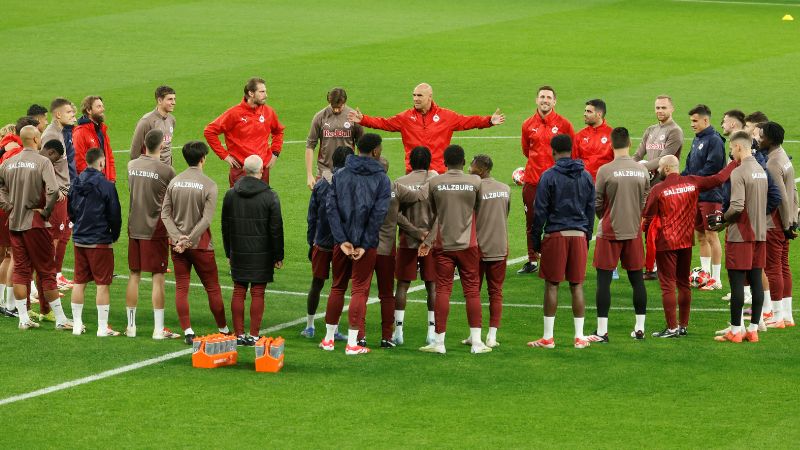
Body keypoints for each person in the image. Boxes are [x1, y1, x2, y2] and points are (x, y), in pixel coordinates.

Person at [642, 155, 737, 338]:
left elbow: (648, 214)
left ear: (667, 168)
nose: (658, 170)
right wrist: (734, 162)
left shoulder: (659, 189)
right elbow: (717, 179)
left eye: (660, 167)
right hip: (686, 240)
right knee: (683, 284)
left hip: (666, 243)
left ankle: (671, 328)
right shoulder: (692, 182)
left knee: (668, 286)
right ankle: (683, 326)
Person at [320, 133, 390, 355]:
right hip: (365, 246)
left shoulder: (339, 175)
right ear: (376, 151)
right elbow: (378, 214)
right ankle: (352, 343)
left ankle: (329, 340)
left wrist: (342, 241)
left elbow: (331, 209)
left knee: (337, 287)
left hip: (341, 244)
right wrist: (363, 244)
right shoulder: (381, 179)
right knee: (359, 289)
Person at [419, 144, 491, 355]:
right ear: (463, 161)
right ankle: (477, 343)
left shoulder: (435, 182)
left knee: (442, 290)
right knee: (471, 290)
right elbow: (478, 207)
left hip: (444, 244)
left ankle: (439, 342)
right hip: (468, 244)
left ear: (444, 162)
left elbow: (434, 210)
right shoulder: (476, 181)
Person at [527, 134, 595, 349]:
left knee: (552, 285)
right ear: (572, 150)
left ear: (552, 151)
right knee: (577, 286)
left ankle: (548, 338)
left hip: (555, 235)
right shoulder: (585, 176)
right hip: (579, 235)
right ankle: (579, 337)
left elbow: (539, 212)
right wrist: (587, 236)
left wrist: (535, 241)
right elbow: (591, 209)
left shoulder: (548, 176)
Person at [0, 125, 71, 330]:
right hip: (35, 224)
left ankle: (23, 319)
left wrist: (8, 206)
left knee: (21, 270)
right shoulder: (43, 162)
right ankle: (60, 319)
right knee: (47, 271)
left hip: (15, 223)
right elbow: (53, 189)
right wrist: (46, 212)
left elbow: (0, 188)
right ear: (36, 138)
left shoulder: (9, 162)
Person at [348, 83, 505, 173]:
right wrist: (363, 119)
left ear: (430, 97)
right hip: (413, 172)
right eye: (414, 95)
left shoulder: (446, 116)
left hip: (438, 173)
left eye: (419, 96)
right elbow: (384, 123)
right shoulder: (405, 117)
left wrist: (489, 121)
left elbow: (468, 121)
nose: (415, 98)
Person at [161, 141, 229, 344]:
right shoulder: (209, 185)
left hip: (178, 246)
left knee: (182, 287)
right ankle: (223, 328)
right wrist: (189, 239)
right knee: (213, 288)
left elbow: (165, 214)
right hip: (201, 245)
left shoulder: (174, 182)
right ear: (203, 159)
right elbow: (206, 219)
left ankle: (188, 331)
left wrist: (177, 239)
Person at [588, 127, 650, 342]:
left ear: (611, 145)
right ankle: (640, 329)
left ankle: (602, 331)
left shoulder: (605, 170)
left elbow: (596, 202)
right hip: (633, 231)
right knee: (637, 281)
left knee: (603, 282)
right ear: (630, 144)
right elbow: (645, 198)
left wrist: (604, 217)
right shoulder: (641, 170)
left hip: (609, 232)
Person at [222, 155, 284, 346]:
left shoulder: (231, 194)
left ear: (244, 170)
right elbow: (276, 228)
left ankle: (239, 335)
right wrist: (278, 255)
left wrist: (228, 252)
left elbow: (225, 226)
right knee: (258, 292)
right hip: (262, 253)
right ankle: (254, 335)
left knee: (239, 290)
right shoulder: (270, 196)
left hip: (238, 251)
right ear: (261, 170)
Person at [712, 131, 767, 343]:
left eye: (732, 149)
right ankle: (752, 329)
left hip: (741, 234)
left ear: (738, 147)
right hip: (760, 233)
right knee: (755, 281)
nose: (731, 153)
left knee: (736, 283)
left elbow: (736, 206)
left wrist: (722, 221)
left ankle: (735, 330)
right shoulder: (760, 170)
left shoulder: (739, 172)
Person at [125, 129, 177, 339]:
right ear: (162, 146)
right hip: (155, 228)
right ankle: (158, 329)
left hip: (134, 225)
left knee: (134, 275)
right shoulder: (167, 170)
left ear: (144, 144)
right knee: (158, 277)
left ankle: (131, 327)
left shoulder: (131, 165)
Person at [518, 85, 575, 275]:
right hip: (533, 181)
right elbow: (526, 150)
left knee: (557, 221)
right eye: (542, 97)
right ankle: (532, 260)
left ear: (554, 101)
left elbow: (571, 151)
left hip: (557, 183)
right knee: (532, 222)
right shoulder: (527, 124)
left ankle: (555, 259)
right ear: (536, 100)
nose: (545, 100)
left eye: (549, 97)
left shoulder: (564, 124)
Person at [67, 148, 122, 336]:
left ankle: (76, 325)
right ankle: (101, 327)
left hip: (79, 239)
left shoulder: (75, 182)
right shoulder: (107, 185)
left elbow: (71, 210)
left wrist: (78, 226)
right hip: (99, 241)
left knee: (79, 282)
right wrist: (113, 235)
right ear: (101, 163)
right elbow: (114, 214)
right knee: (102, 284)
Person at [301, 146, 353, 340]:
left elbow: (311, 216)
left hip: (321, 241)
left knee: (317, 283)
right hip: (342, 243)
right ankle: (335, 329)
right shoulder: (349, 184)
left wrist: (310, 242)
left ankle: (309, 325)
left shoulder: (321, 184)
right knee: (338, 286)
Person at [633, 95, 684, 280]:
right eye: (657, 108)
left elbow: (663, 160)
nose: (660, 111)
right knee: (647, 225)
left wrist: (641, 167)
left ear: (672, 109)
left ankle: (661, 266)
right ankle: (651, 265)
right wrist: (628, 165)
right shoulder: (651, 130)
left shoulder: (675, 131)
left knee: (661, 228)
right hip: (648, 186)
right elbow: (639, 154)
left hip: (665, 187)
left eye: (663, 108)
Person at [460, 154, 509, 348]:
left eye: (471, 167)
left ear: (480, 170)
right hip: (499, 246)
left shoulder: (473, 189)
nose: (469, 169)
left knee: (474, 292)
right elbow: (505, 215)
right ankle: (492, 337)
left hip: (477, 248)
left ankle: (476, 335)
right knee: (496, 292)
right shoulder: (505, 189)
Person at [393, 146, 438, 345]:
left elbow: (396, 215)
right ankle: (431, 333)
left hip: (406, 241)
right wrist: (427, 238)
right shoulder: (437, 183)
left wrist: (415, 232)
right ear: (429, 162)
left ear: (410, 162)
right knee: (432, 286)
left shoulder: (399, 183)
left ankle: (399, 332)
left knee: (402, 285)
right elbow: (441, 215)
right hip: (432, 243)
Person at [204, 77, 285, 187]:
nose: (266, 95)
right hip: (241, 170)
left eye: (265, 91)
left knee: (262, 203)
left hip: (262, 169)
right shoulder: (234, 113)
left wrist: (275, 153)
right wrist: (224, 156)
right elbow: (209, 131)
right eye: (262, 92)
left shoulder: (268, 112)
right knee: (238, 203)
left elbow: (278, 131)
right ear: (251, 93)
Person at [681, 104, 726, 290]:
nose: (692, 124)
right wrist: (679, 179)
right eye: (691, 121)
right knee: (700, 235)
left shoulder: (715, 140)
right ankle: (705, 276)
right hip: (697, 195)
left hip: (711, 196)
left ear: (705, 120)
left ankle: (716, 279)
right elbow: (689, 164)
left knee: (711, 234)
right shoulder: (697, 139)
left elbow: (712, 167)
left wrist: (691, 180)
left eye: (695, 121)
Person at [760, 122, 798, 328]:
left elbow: (781, 197)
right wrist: (793, 220)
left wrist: (785, 225)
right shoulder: (784, 157)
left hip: (775, 222)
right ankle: (787, 315)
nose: (758, 140)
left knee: (772, 268)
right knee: (783, 266)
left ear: (770, 139)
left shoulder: (773, 163)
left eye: (761, 136)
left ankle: (777, 316)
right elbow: (793, 192)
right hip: (786, 219)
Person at [41, 102, 74, 290]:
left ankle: (54, 275)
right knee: (53, 237)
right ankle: (48, 279)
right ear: (58, 115)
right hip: (57, 194)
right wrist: (55, 190)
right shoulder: (51, 135)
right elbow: (45, 164)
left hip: (63, 191)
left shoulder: (59, 132)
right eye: (69, 111)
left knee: (61, 234)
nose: (73, 114)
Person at [304, 88, 363, 190]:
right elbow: (310, 146)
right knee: (323, 205)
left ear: (344, 102)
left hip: (348, 172)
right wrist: (309, 175)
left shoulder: (353, 117)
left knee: (346, 205)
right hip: (324, 173)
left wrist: (359, 169)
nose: (336, 110)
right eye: (333, 106)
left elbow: (362, 146)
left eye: (339, 107)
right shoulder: (320, 117)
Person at [130, 86, 177, 166]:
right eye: (170, 99)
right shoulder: (146, 121)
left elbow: (167, 147)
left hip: (167, 170)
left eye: (174, 99)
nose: (174, 102)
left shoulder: (171, 119)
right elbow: (134, 152)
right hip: (151, 170)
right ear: (159, 100)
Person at [73, 95, 116, 181]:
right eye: (99, 107)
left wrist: (111, 179)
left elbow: (109, 157)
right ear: (89, 110)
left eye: (102, 106)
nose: (103, 109)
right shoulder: (80, 133)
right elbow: (79, 162)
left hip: (105, 182)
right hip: (91, 184)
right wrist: (94, 181)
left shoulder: (101, 130)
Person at [573, 99, 613, 181]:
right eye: (585, 111)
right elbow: (574, 161)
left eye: (589, 112)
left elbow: (618, 161)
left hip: (605, 183)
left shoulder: (612, 135)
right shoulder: (580, 136)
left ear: (599, 114)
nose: (585, 114)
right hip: (584, 183)